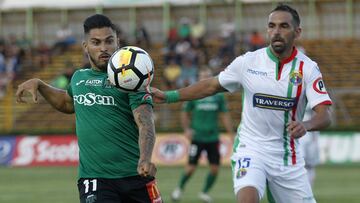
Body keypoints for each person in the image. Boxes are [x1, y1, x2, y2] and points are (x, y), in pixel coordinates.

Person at [150, 4, 332, 203]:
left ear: (297, 32)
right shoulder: (248, 62)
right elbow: (211, 85)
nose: (276, 32)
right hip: (251, 149)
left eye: (284, 26)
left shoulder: (308, 69)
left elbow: (325, 115)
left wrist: (306, 125)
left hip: (287, 157)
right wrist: (169, 96)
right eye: (272, 26)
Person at [16, 14, 162, 203]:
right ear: (86, 47)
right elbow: (66, 102)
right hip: (95, 179)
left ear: (117, 42)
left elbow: (145, 122)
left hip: (136, 175)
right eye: (96, 42)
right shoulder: (79, 78)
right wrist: (41, 84)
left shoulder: (131, 78)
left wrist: (145, 158)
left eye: (109, 41)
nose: (103, 48)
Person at [171, 68, 234, 202]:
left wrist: (231, 134)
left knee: (215, 169)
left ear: (211, 77)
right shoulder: (194, 94)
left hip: (213, 137)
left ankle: (204, 192)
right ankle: (179, 189)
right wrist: (187, 129)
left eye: (207, 75)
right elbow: (184, 113)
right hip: (197, 137)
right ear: (198, 78)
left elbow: (225, 116)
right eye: (202, 75)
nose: (205, 77)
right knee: (190, 168)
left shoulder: (219, 96)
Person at [300, 103, 321, 188]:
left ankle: (308, 190)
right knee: (299, 163)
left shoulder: (315, 94)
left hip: (312, 134)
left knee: (310, 165)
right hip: (298, 134)